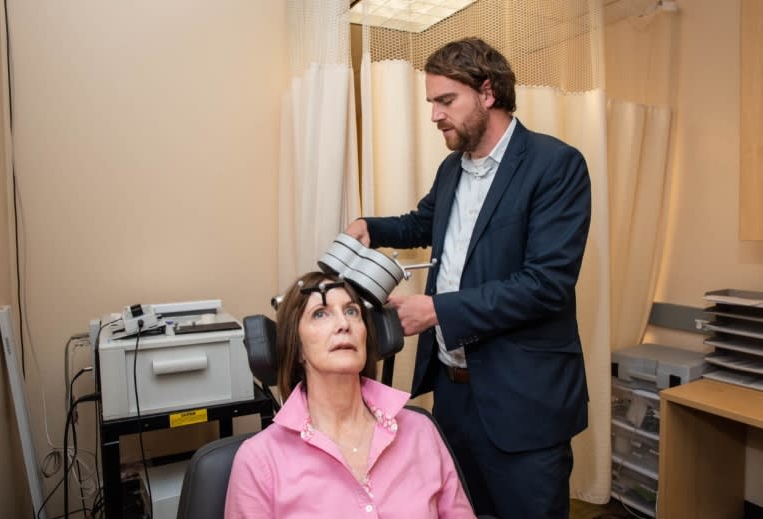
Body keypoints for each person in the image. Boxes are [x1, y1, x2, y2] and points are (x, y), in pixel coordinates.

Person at [344, 37, 592, 518]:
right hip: (455, 394)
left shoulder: (555, 165)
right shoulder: (452, 169)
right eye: (431, 102)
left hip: (524, 400)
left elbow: (546, 284)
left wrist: (436, 310)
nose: (434, 114)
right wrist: (370, 228)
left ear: (487, 92)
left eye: (445, 101)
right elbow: (423, 223)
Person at [224, 271, 475, 518]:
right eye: (320, 314)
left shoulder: (421, 432)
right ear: (298, 347)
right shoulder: (259, 460)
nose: (343, 324)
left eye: (352, 311)